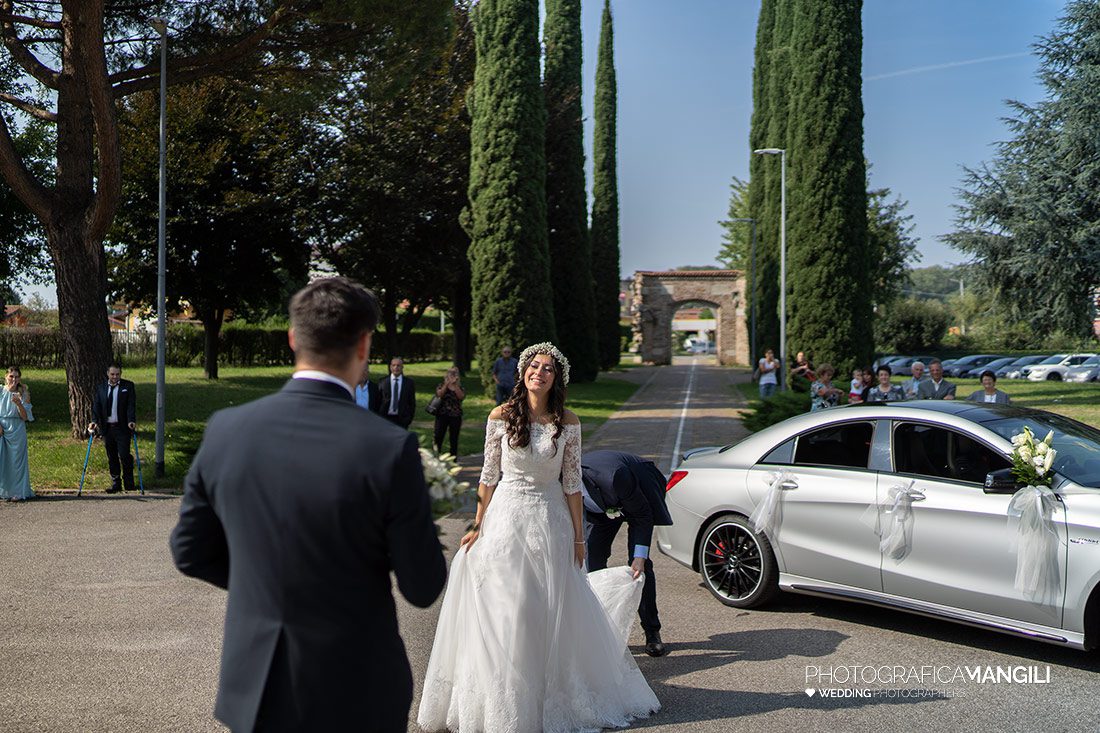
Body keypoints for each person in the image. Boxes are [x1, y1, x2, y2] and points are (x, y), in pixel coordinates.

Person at [170, 277, 446, 733]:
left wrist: (266, 586)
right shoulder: (389, 447)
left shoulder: (226, 429)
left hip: (259, 682)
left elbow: (189, 551)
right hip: (358, 684)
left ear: (293, 338)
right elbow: (422, 587)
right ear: (364, 345)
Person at [418, 343, 659, 733]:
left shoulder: (569, 422)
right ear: (523, 373)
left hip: (550, 522)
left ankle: (545, 694)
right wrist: (477, 524)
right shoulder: (500, 416)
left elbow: (572, 484)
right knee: (505, 608)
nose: (540, 372)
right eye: (534, 366)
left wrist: (580, 538)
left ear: (556, 378)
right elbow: (488, 475)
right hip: (505, 521)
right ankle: (502, 698)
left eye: (548, 368)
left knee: (543, 608)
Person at [580, 450, 674, 657]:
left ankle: (652, 632)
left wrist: (640, 557)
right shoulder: (557, 488)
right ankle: (600, 630)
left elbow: (642, 515)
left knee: (640, 567)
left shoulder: (614, 476)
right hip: (599, 508)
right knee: (591, 561)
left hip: (638, 486)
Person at [89, 363, 137, 493]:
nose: (115, 377)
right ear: (107, 374)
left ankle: (129, 482)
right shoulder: (101, 388)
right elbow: (97, 406)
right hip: (107, 427)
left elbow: (130, 405)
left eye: (117, 374)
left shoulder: (128, 386)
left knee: (124, 455)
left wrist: (131, 420)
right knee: (112, 456)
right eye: (112, 374)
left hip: (122, 427)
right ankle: (116, 482)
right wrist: (94, 421)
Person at [0, 366, 33, 501]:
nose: (14, 379)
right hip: (2, 427)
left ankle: (17, 492)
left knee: (16, 462)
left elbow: (25, 417)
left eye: (16, 377)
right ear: (6, 377)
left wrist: (19, 404)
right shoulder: (0, 390)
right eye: (11, 376)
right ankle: (3, 490)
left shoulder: (23, 393)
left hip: (17, 428)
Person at [432, 366, 465, 456]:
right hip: (442, 414)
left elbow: (461, 397)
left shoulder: (460, 387)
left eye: (455, 373)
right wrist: (446, 384)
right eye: (451, 373)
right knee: (438, 436)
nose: (452, 375)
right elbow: (439, 394)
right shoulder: (441, 385)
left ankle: (453, 458)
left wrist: (455, 385)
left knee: (453, 439)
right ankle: (436, 455)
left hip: (455, 415)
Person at [379, 356, 416, 428]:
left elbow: (412, 402)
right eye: (394, 365)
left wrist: (409, 419)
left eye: (398, 365)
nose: (396, 367)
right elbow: (378, 401)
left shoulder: (409, 383)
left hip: (402, 419)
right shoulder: (382, 382)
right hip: (385, 418)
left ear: (402, 367)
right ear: (390, 367)